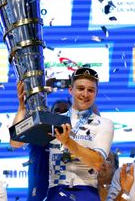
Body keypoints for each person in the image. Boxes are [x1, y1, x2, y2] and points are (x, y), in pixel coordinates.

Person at [46, 67, 114, 200]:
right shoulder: (53, 121)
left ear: (96, 93)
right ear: (70, 90)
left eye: (91, 90)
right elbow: (15, 143)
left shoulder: (105, 124)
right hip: (55, 191)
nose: (85, 94)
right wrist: (22, 106)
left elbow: (98, 162)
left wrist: (68, 142)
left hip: (86, 191)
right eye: (80, 88)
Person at [10, 88, 72, 201]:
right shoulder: (40, 132)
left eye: (65, 111)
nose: (61, 113)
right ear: (51, 114)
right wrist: (22, 108)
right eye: (57, 110)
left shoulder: (76, 139)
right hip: (39, 193)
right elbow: (15, 142)